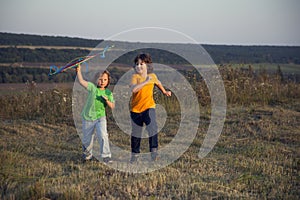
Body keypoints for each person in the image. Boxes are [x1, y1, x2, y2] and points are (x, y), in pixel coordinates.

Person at [129, 53, 172, 163]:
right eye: (137, 64)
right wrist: (145, 81)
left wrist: (164, 91)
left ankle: (154, 153)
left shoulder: (152, 76)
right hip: (136, 110)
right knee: (136, 134)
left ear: (147, 65)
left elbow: (158, 82)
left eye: (141, 64)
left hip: (149, 107)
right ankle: (135, 155)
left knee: (152, 128)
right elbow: (134, 90)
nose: (138, 66)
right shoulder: (135, 77)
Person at [76, 64, 115, 163]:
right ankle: (87, 156)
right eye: (100, 79)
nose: (102, 82)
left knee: (103, 135)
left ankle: (106, 156)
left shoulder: (108, 93)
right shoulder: (92, 88)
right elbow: (81, 81)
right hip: (88, 117)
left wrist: (107, 101)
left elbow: (112, 106)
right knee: (87, 139)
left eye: (105, 80)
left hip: (100, 117)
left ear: (108, 81)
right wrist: (78, 71)